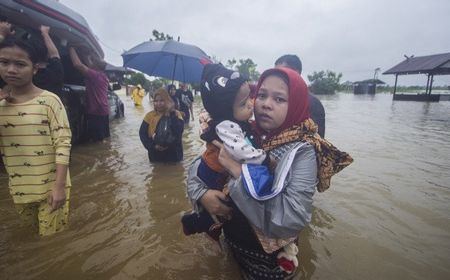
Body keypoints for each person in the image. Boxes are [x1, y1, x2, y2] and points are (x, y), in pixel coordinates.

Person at [186, 67, 353, 279]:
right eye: (262, 95)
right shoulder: (243, 129)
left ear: (296, 104)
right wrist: (202, 195)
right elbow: (197, 168)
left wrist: (237, 172)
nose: (266, 104)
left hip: (266, 263)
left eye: (280, 99)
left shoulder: (302, 151)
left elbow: (291, 219)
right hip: (233, 241)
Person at [181, 63, 267, 241]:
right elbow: (242, 152)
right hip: (216, 173)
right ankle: (196, 222)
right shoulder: (228, 126)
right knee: (219, 209)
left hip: (254, 234)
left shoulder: (245, 125)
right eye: (261, 95)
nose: (253, 104)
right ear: (226, 111)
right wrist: (266, 159)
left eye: (252, 97)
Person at [0, 36, 72, 236]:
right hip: (20, 188)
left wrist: (59, 187)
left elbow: (63, 144)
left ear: (35, 68)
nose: (11, 70)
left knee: (50, 244)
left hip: (52, 187)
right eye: (4, 62)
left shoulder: (50, 101)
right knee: (31, 238)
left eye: (20, 64)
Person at [275, 54, 326, 138]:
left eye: (281, 73)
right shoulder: (277, 98)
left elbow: (317, 139)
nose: (276, 77)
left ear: (296, 73)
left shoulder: (312, 103)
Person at [69, 47, 110, 142]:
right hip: (102, 111)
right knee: (103, 140)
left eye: (92, 63)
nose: (89, 64)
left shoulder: (95, 75)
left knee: (96, 142)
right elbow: (88, 64)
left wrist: (71, 47)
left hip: (96, 112)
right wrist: (86, 55)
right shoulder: (102, 75)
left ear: (95, 67)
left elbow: (78, 65)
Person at [139, 87, 184, 163]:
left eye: (162, 100)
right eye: (156, 101)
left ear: (167, 101)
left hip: (173, 155)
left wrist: (171, 112)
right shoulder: (150, 116)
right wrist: (153, 147)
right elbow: (142, 134)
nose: (158, 103)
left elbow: (178, 132)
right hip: (155, 156)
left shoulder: (176, 114)